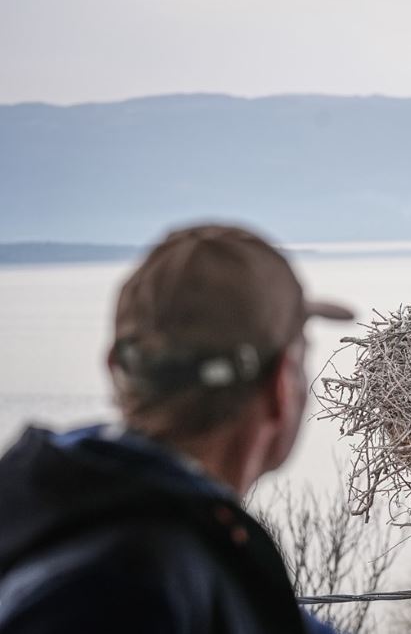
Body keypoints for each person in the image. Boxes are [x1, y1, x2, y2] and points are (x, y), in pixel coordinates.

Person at [0, 224, 354, 634]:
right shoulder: (132, 587)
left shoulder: (63, 519)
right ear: (281, 387)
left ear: (116, 368)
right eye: (302, 356)